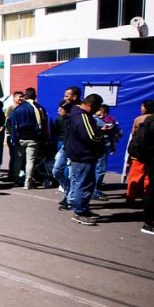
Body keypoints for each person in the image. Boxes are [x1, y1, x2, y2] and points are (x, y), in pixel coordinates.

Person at [64, 94, 104, 226]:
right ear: (91, 105)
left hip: (79, 154)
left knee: (83, 183)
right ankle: (80, 212)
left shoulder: (76, 114)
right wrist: (102, 134)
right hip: (83, 155)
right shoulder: (82, 117)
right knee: (83, 184)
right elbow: (91, 137)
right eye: (97, 107)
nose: (97, 111)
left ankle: (83, 209)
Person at [10, 88, 49, 189]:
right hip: (33, 138)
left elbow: (13, 124)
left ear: (25, 96)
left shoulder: (17, 109)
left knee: (18, 160)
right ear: (35, 96)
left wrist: (14, 139)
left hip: (20, 138)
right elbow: (40, 124)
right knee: (30, 161)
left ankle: (16, 179)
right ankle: (28, 182)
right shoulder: (38, 108)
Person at [138, 102, 154, 235]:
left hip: (152, 160)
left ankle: (150, 219)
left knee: (153, 189)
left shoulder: (150, 119)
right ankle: (149, 222)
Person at [126, 100, 154, 201]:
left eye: (142, 106)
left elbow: (133, 134)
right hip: (152, 153)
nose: (141, 108)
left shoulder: (139, 119)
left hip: (139, 152)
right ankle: (146, 195)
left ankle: (131, 196)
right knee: (148, 176)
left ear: (146, 108)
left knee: (135, 175)